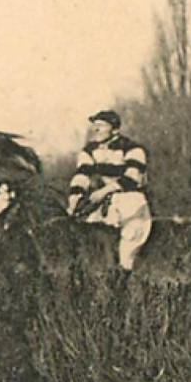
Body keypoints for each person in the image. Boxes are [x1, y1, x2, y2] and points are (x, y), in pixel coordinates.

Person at [67, 109, 153, 273]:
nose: (96, 129)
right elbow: (82, 175)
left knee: (128, 246)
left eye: (101, 126)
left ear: (115, 130)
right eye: (95, 125)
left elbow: (131, 179)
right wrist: (74, 198)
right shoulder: (89, 150)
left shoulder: (133, 149)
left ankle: (125, 278)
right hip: (106, 203)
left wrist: (104, 191)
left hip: (130, 200)